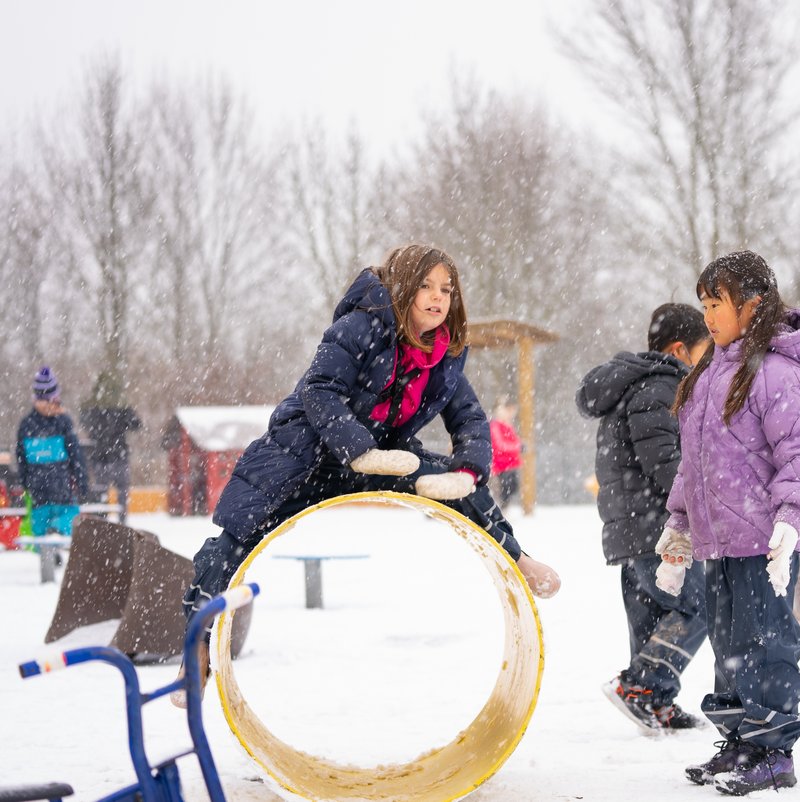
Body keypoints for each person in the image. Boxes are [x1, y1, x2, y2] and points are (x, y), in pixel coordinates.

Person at [175, 245, 561, 706]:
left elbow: (471, 419)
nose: (438, 297)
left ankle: (516, 556)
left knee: (452, 481)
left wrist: (470, 468)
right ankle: (195, 646)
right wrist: (357, 450)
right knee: (238, 533)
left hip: (383, 456)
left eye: (446, 289)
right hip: (306, 452)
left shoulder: (445, 353)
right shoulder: (360, 326)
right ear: (402, 287)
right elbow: (320, 390)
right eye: (426, 286)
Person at [656, 251, 800, 795]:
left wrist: (792, 517)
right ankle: (741, 741)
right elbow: (696, 461)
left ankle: (774, 749)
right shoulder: (712, 375)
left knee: (767, 640)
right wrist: (679, 523)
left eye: (717, 304)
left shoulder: (777, 375)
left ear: (753, 307)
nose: (707, 315)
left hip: (764, 540)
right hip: (720, 543)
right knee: (729, 642)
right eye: (704, 304)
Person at [577, 302, 712, 733]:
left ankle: (656, 703)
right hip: (655, 526)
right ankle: (642, 686)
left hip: (630, 526)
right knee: (698, 604)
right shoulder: (660, 388)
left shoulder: (633, 387)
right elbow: (665, 462)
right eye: (703, 353)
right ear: (679, 350)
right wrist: (705, 504)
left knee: (652, 616)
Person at [16, 366, 89, 538]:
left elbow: (75, 456)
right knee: (43, 531)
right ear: (39, 400)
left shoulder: (62, 422)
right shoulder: (28, 425)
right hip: (41, 493)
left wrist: (82, 482)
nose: (54, 405)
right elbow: (21, 458)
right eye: (51, 401)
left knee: (66, 524)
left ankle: (55, 534)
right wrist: (25, 483)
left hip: (61, 492)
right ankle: (52, 540)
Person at [79, 368, 142, 525]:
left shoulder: (92, 408)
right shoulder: (121, 407)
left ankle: (102, 526)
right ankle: (122, 524)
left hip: (100, 458)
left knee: (102, 496)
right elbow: (137, 424)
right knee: (122, 496)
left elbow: (84, 422)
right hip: (119, 456)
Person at [488, 397, 522, 511]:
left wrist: (518, 446)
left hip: (510, 462)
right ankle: (501, 508)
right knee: (506, 487)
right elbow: (500, 444)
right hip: (501, 463)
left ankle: (503, 507)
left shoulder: (507, 425)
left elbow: (513, 441)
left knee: (512, 486)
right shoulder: (496, 425)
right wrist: (517, 447)